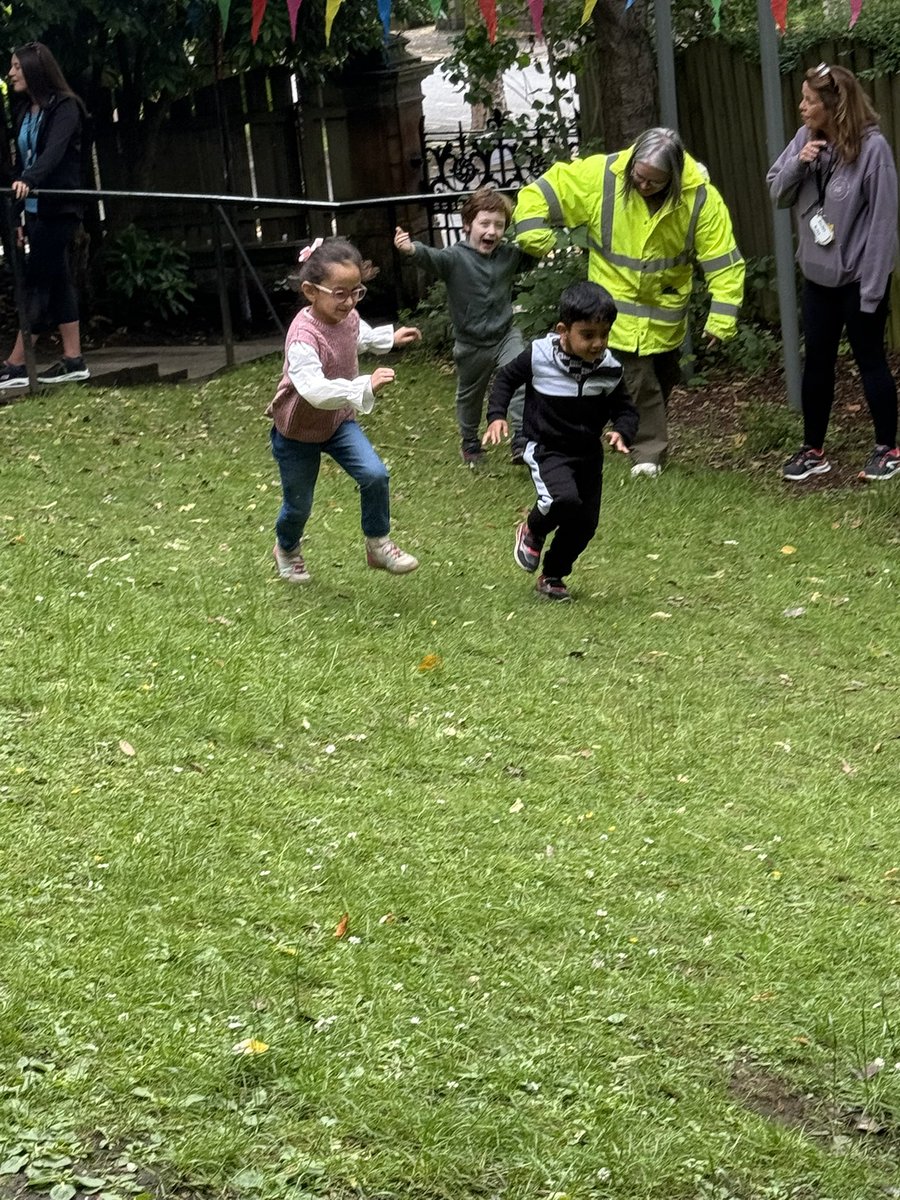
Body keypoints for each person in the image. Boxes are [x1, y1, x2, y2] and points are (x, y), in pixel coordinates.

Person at [513, 128, 744, 477]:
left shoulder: (700, 200)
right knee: (640, 381)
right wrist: (533, 235)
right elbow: (540, 192)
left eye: (655, 181)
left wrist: (721, 319)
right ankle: (647, 456)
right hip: (610, 312)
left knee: (655, 379)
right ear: (631, 163)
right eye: (639, 177)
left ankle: (575, 436)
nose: (643, 186)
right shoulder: (600, 177)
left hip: (665, 317)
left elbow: (724, 261)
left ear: (675, 178)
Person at [767, 63, 899, 482]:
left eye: (809, 100)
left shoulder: (873, 150)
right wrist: (798, 165)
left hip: (860, 280)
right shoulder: (805, 139)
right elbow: (777, 191)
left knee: (870, 361)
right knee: (817, 363)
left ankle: (888, 449)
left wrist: (874, 290)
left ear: (833, 106)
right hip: (818, 279)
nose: (801, 106)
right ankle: (813, 450)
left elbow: (883, 223)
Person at [267, 237, 422, 583]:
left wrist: (390, 339)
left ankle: (378, 544)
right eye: (340, 293)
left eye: (356, 292)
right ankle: (287, 548)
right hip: (297, 430)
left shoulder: (347, 316)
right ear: (310, 291)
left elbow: (359, 335)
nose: (350, 301)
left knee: (375, 474)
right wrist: (363, 386)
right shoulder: (303, 337)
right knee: (299, 505)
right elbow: (314, 391)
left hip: (337, 423)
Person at [482, 280, 638, 602]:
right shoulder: (539, 356)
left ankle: (552, 576)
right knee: (562, 499)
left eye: (604, 335)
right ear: (563, 330)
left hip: (587, 455)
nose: (598, 344)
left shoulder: (609, 369)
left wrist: (623, 430)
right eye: (588, 335)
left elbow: (625, 409)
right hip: (544, 446)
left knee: (584, 524)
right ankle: (533, 529)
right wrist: (496, 414)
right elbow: (506, 378)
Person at [394, 186, 534, 468]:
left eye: (499, 225)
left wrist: (544, 236)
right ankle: (470, 441)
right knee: (471, 394)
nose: (492, 231)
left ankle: (522, 438)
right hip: (471, 343)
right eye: (485, 223)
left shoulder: (508, 256)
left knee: (522, 375)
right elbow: (432, 258)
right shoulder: (454, 258)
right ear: (468, 224)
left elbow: (533, 253)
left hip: (505, 334)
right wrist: (411, 249)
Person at [0, 42, 90, 390]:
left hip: (60, 206)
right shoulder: (26, 111)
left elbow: (52, 154)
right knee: (57, 279)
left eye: (16, 67)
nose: (11, 74)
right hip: (36, 211)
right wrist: (20, 214)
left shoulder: (66, 107)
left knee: (38, 281)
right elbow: (23, 163)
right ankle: (73, 359)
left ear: (35, 69)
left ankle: (18, 363)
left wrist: (30, 181)